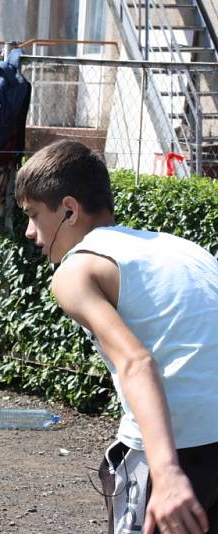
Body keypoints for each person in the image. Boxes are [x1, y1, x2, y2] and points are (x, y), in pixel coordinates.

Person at [15, 140, 218, 534]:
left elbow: (136, 362)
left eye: (34, 215)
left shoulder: (75, 271)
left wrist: (167, 473)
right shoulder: (180, 248)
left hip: (174, 455)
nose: (30, 232)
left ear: (69, 210)